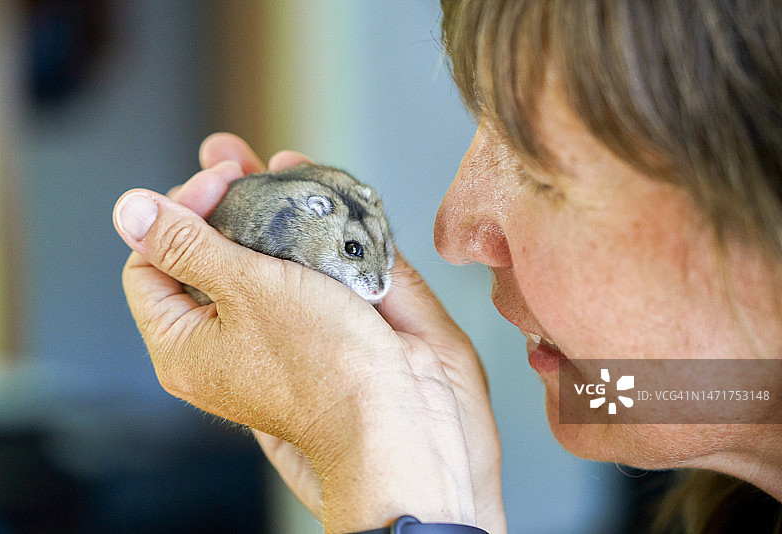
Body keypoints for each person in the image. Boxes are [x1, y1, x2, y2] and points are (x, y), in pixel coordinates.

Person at [112, 1, 782, 533]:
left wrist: (391, 507)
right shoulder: (732, 402)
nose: (450, 235)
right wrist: (441, 491)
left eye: (540, 169)